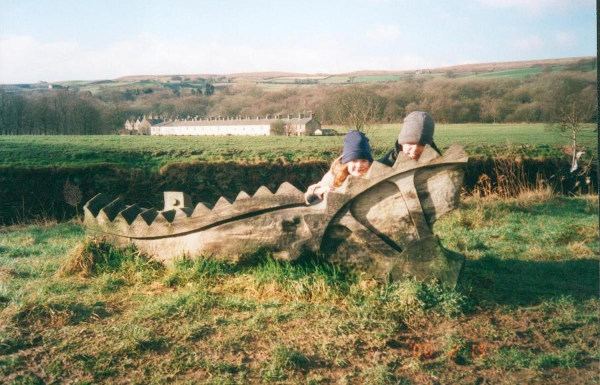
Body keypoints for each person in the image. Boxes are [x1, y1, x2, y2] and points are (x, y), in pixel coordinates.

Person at [304, 111, 441, 204]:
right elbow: (313, 192)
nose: (415, 149)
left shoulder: (437, 161)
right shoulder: (385, 164)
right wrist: (317, 191)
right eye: (410, 144)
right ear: (401, 142)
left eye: (421, 144)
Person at [304, 130, 373, 204]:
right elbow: (308, 197)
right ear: (347, 163)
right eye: (354, 161)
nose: (359, 165)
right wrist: (317, 192)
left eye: (364, 161)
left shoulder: (376, 174)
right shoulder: (335, 175)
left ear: (369, 162)